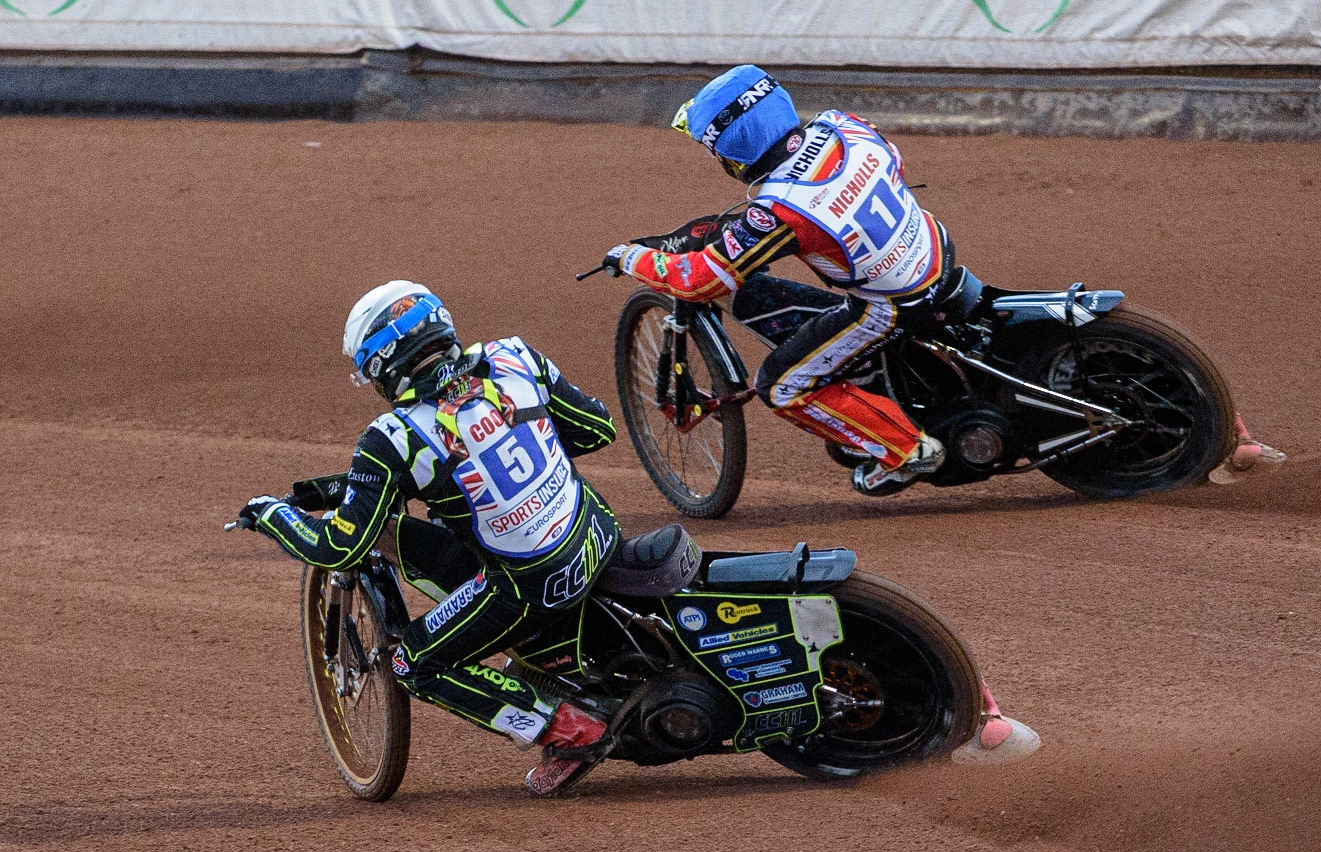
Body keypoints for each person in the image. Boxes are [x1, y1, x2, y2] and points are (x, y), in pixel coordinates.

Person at [238, 280, 621, 797]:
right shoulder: (514, 355)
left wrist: (271, 515)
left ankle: (569, 730)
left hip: (532, 588)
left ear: (384, 366)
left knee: (413, 664)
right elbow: (596, 430)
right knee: (456, 531)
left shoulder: (391, 437)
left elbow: (341, 549)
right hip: (598, 534)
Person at [602, 64, 964, 497]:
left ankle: (909, 452)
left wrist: (631, 258)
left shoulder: (779, 210)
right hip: (934, 249)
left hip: (892, 305)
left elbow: (697, 280)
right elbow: (894, 164)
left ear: (733, 156)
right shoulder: (842, 125)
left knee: (782, 386)